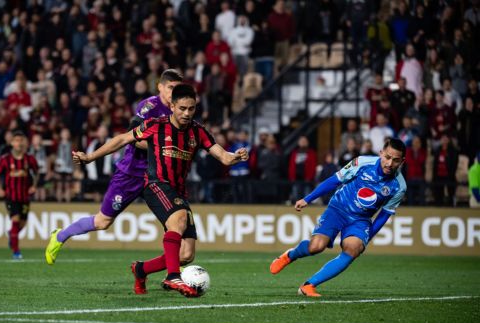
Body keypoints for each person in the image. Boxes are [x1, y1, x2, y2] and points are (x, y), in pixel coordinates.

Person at [72, 84, 248, 297]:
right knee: (179, 218)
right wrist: (90, 157)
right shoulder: (155, 125)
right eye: (182, 108)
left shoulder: (198, 131)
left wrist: (236, 156)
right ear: (172, 106)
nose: (187, 113)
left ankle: (141, 269)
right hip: (155, 184)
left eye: (191, 109)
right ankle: (173, 276)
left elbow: (223, 156)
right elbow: (122, 139)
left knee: (186, 254)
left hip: (178, 191)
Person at [45, 69, 183, 264]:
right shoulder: (149, 107)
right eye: (170, 87)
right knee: (103, 222)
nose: (174, 92)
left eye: (178, 89)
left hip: (157, 178)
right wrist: (162, 146)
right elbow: (131, 138)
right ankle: (60, 236)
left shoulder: (179, 111)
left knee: (175, 223)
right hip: (131, 173)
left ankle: (169, 272)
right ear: (160, 87)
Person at [269, 138, 407, 297]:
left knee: (353, 248)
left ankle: (308, 285)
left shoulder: (399, 186)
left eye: (395, 160)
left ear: (402, 161)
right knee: (316, 247)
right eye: (387, 157)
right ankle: (289, 255)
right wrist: (308, 199)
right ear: (381, 153)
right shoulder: (362, 162)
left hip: (360, 220)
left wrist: (369, 236)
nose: (389, 164)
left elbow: (384, 214)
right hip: (338, 208)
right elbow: (335, 180)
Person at [0, 132, 38, 260]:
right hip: (11, 196)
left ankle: (12, 235)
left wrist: (33, 185)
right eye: (16, 140)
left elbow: (37, 172)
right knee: (16, 220)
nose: (19, 143)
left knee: (22, 223)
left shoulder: (29, 159)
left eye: (21, 140)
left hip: (25, 197)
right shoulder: (5, 159)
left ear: (24, 143)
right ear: (12, 143)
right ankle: (16, 251)